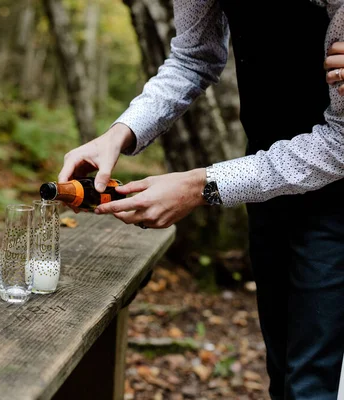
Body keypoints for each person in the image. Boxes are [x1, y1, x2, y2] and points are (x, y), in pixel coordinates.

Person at [59, 1, 344, 399]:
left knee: (315, 383)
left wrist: (202, 185)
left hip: (335, 195)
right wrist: (120, 132)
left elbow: (340, 143)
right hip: (264, 182)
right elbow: (193, 57)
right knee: (283, 372)